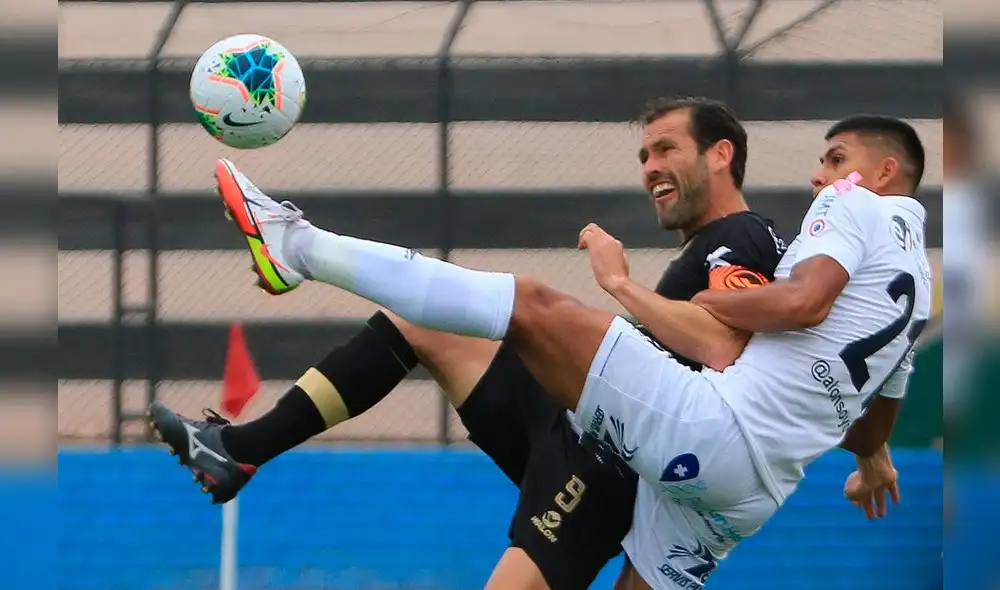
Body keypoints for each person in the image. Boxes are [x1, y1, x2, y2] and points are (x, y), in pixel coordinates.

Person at [148, 97, 788, 590]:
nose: (650, 169)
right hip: (573, 428)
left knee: (525, 306)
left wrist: (618, 288)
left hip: (604, 472)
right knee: (419, 322)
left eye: (665, 150)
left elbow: (722, 340)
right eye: (644, 156)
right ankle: (239, 448)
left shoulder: (745, 237)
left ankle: (298, 248)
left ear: (721, 154)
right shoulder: (712, 245)